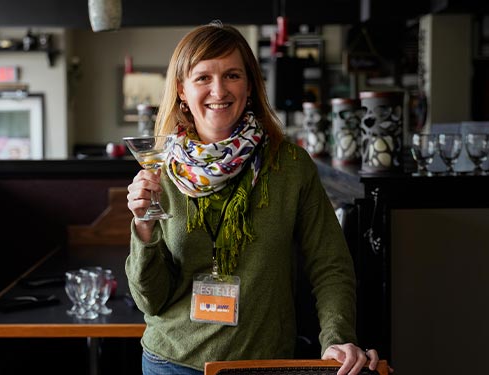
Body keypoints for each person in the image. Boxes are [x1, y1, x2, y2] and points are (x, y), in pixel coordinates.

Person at [125, 21, 382, 375]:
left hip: (265, 363)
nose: (219, 90)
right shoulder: (160, 171)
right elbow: (150, 300)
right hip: (173, 363)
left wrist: (336, 338)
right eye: (203, 78)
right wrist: (143, 228)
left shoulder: (290, 165)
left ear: (249, 85)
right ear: (182, 89)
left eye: (232, 75)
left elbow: (330, 264)